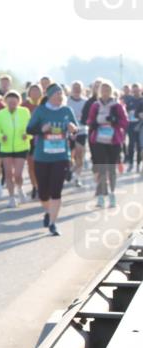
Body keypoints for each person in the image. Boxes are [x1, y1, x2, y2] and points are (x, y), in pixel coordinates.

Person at [26, 85, 78, 236]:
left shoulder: (67, 110)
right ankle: (49, 212)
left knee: (56, 191)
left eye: (61, 93)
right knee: (43, 193)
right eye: (56, 93)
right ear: (49, 96)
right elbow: (29, 129)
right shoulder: (41, 110)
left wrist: (73, 129)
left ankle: (53, 223)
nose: (60, 96)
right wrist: (41, 129)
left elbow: (75, 131)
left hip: (61, 156)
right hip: (42, 156)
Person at [86, 80, 129, 208]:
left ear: (111, 91)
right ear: (100, 91)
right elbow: (89, 119)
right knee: (101, 169)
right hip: (99, 140)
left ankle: (112, 194)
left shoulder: (117, 106)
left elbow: (125, 122)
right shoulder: (95, 105)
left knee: (111, 170)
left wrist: (114, 121)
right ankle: (100, 196)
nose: (105, 92)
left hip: (113, 140)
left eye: (107, 90)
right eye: (103, 90)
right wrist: (94, 123)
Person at [0, 90, 32, 207]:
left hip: (21, 146)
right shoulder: (1, 114)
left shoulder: (25, 112)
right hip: (6, 147)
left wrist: (27, 135)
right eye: (9, 103)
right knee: (9, 173)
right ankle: (11, 197)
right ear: (5, 102)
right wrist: (0, 137)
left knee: (18, 174)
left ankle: (19, 189)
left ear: (19, 102)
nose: (12, 105)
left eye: (14, 103)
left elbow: (31, 127)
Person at [67, 81, 89, 186]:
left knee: (80, 154)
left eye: (79, 87)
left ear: (82, 89)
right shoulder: (67, 101)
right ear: (72, 89)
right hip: (69, 132)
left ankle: (77, 177)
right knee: (71, 156)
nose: (77, 89)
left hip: (82, 130)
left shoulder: (85, 101)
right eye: (75, 87)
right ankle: (70, 171)